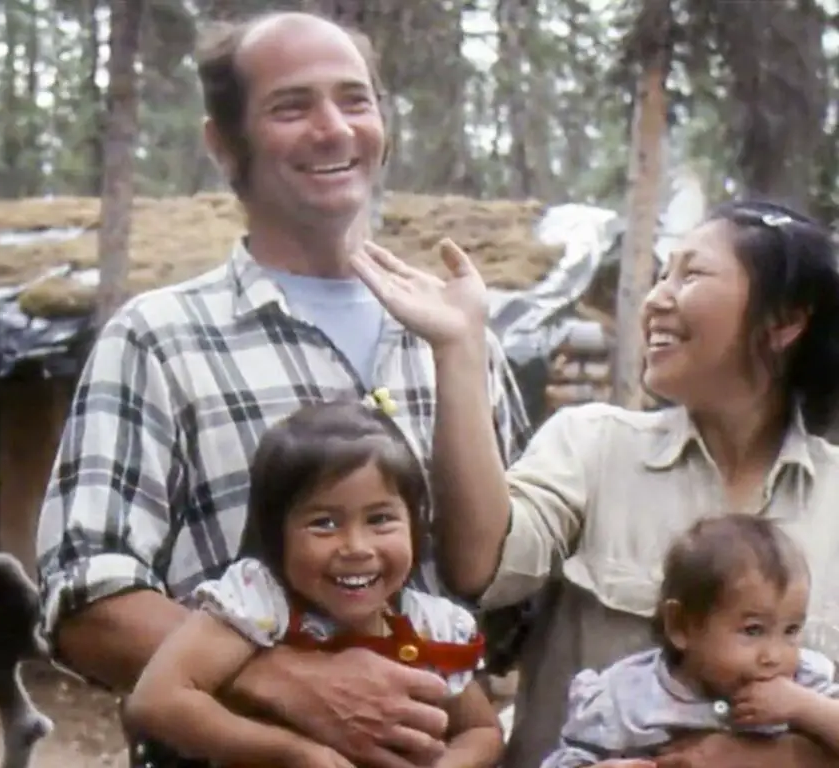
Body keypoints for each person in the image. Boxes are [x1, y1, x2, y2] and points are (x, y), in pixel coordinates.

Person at [34, 10, 526, 768]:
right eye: (291, 107)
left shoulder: (462, 340)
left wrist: (457, 354)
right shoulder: (160, 340)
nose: (333, 129)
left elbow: (501, 588)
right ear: (225, 144)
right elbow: (84, 599)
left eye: (355, 100)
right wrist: (286, 682)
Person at [351, 199, 839, 768]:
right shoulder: (593, 446)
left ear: (784, 321)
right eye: (660, 275)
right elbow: (481, 565)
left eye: (692, 274)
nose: (657, 299)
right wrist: (460, 348)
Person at [124, 399, 503, 768]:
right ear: (276, 534)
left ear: (415, 526)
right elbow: (158, 699)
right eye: (324, 523)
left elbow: (482, 730)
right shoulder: (259, 604)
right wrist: (291, 752)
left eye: (380, 519)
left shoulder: (429, 625)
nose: (356, 547)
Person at [541, 515, 839, 767]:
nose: (774, 656)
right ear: (681, 626)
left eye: (791, 631)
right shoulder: (626, 698)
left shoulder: (804, 684)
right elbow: (567, 759)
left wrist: (805, 708)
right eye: (753, 630)